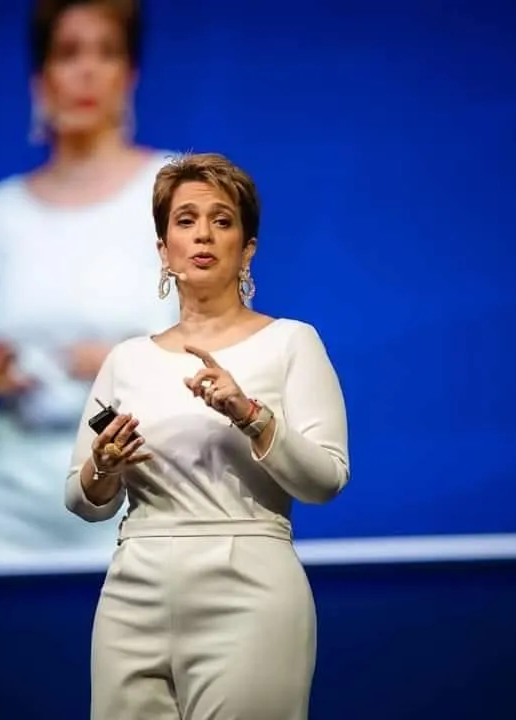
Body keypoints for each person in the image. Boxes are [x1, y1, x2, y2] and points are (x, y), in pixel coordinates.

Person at [65, 153, 350, 719]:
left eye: (222, 221)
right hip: (133, 585)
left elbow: (326, 480)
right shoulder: (127, 360)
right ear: (163, 248)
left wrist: (250, 414)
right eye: (186, 220)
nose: (203, 234)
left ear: (247, 249)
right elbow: (81, 498)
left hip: (248, 583)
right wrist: (105, 465)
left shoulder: (291, 342)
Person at [0, 0, 177, 556]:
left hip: (142, 482)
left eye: (106, 53)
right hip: (10, 500)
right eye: (68, 54)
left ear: (130, 75)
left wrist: (124, 363)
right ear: (41, 79)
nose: (87, 70)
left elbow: (215, 341)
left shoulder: (173, 191)